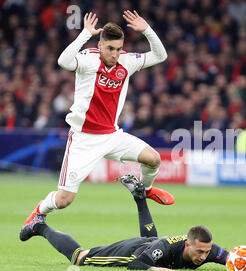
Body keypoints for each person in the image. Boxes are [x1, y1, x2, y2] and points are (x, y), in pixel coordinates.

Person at [23, 11, 174, 228]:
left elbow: (160, 56)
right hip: (83, 139)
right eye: (110, 48)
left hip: (112, 135)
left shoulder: (126, 62)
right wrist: (85, 34)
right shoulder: (89, 60)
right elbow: (63, 61)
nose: (115, 54)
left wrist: (147, 30)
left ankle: (146, 189)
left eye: (119, 49)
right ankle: (40, 210)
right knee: (64, 200)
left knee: (154, 159)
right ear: (101, 45)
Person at [20, 174, 228, 271]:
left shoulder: (206, 249)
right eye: (200, 252)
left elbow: (230, 258)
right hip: (131, 252)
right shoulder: (169, 247)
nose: (204, 256)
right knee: (80, 259)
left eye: (206, 252)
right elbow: (136, 265)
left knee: (152, 241)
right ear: (188, 244)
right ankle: (39, 226)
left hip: (151, 245)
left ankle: (140, 198)